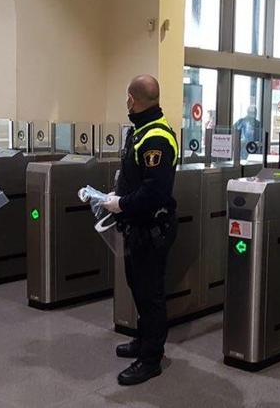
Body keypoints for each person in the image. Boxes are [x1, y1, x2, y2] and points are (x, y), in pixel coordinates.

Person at [102, 75, 179, 386]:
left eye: (127, 98)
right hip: (136, 226)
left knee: (150, 293)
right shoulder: (140, 132)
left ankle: (151, 359)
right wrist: (116, 195)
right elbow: (135, 180)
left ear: (132, 99)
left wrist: (120, 203)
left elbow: (155, 192)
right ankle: (142, 338)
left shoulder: (156, 137)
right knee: (137, 286)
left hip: (152, 227)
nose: (126, 104)